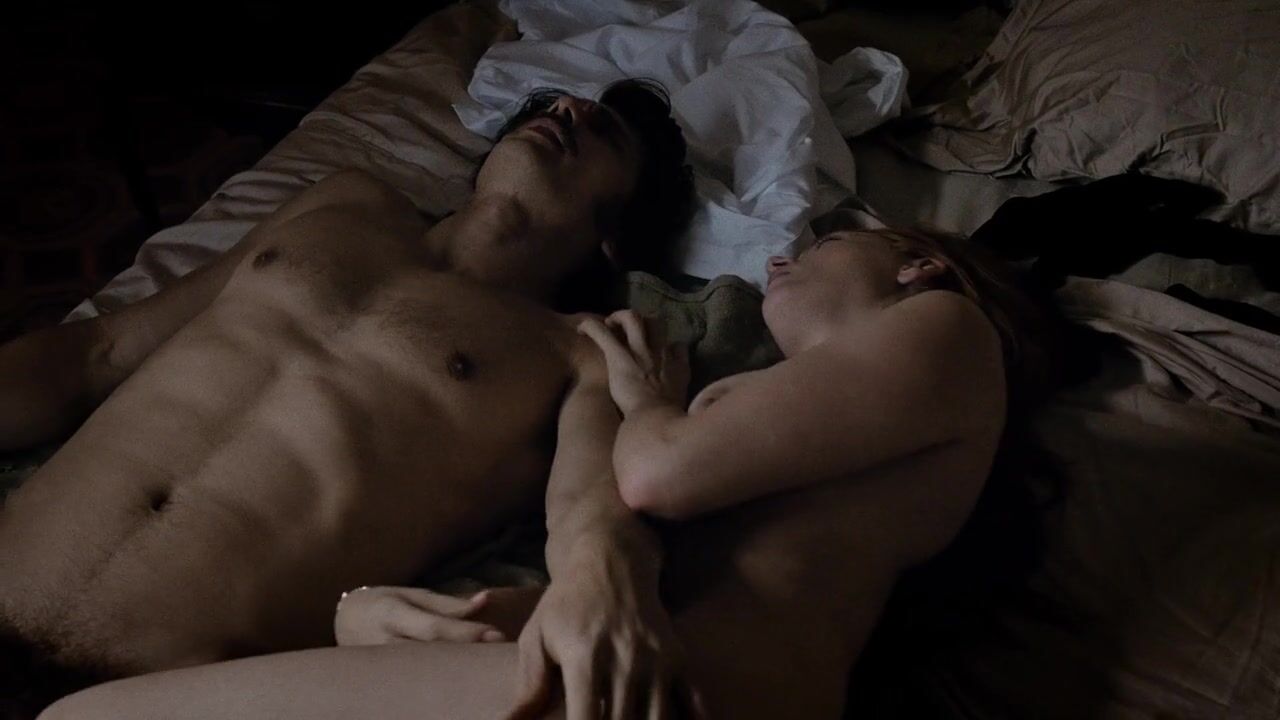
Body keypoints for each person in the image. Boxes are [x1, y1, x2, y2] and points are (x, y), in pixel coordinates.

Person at [41, 222, 1060, 719]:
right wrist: (376, 613)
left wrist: (644, 395)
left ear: (917, 262)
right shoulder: (822, 434)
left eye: (827, 236)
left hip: (695, 690)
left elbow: (659, 477)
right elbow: (648, 591)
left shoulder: (949, 328)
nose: (781, 258)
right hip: (662, 677)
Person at [0, 79, 696, 719]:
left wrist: (605, 572)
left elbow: (587, 522)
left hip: (157, 688)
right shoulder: (347, 204)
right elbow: (100, 351)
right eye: (553, 104)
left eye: (602, 129)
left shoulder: (575, 350)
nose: (568, 110)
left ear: (618, 237)